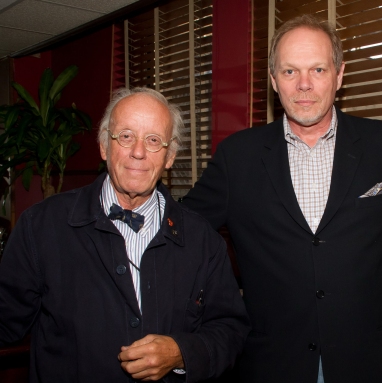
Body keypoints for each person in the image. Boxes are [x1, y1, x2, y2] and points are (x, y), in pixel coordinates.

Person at [182, 14, 382, 383]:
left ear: (339, 75)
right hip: (271, 362)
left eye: (317, 69)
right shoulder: (238, 156)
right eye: (289, 72)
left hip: (371, 360)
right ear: (273, 81)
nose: (303, 85)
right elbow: (180, 231)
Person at [0, 87, 250, 383]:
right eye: (126, 136)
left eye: (153, 140)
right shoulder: (41, 227)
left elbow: (231, 331)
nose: (139, 152)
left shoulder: (202, 240)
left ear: (169, 157)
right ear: (105, 145)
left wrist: (181, 351)